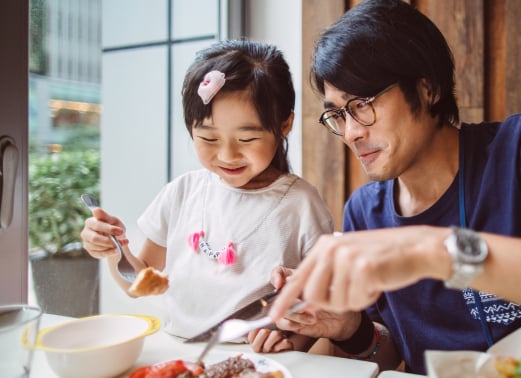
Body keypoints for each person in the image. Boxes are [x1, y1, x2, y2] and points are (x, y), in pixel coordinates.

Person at [266, 0, 521, 374]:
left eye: (362, 105)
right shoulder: (366, 213)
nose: (350, 132)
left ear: (428, 89)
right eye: (337, 115)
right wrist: (351, 330)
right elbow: (390, 357)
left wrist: (436, 251)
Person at [80, 40, 333, 352]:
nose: (228, 154)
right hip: (177, 349)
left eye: (247, 137)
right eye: (208, 138)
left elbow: (321, 301)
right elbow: (139, 283)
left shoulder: (301, 205)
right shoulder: (182, 193)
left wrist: (290, 340)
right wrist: (112, 249)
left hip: (254, 357)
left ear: (284, 125)